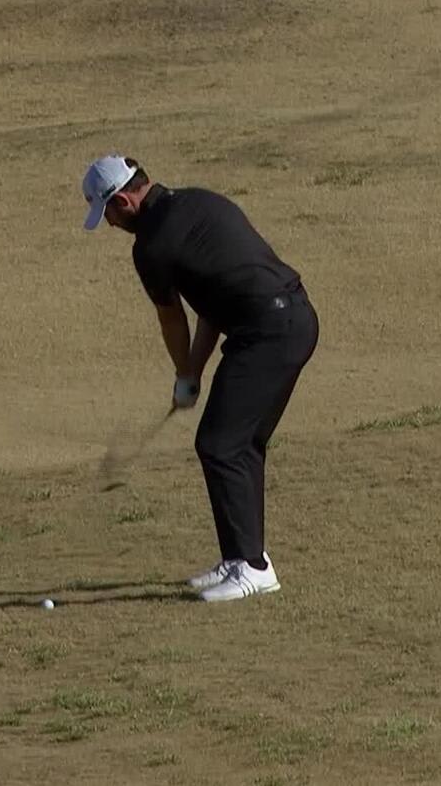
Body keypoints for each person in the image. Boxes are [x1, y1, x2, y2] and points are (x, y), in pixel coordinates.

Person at [79, 155, 319, 602]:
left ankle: (250, 568)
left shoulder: (151, 246)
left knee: (220, 443)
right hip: (292, 321)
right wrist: (192, 374)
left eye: (107, 212)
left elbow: (173, 320)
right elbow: (211, 307)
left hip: (269, 332)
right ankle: (244, 559)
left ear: (124, 200)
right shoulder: (198, 204)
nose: (110, 225)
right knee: (239, 444)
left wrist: (185, 374)